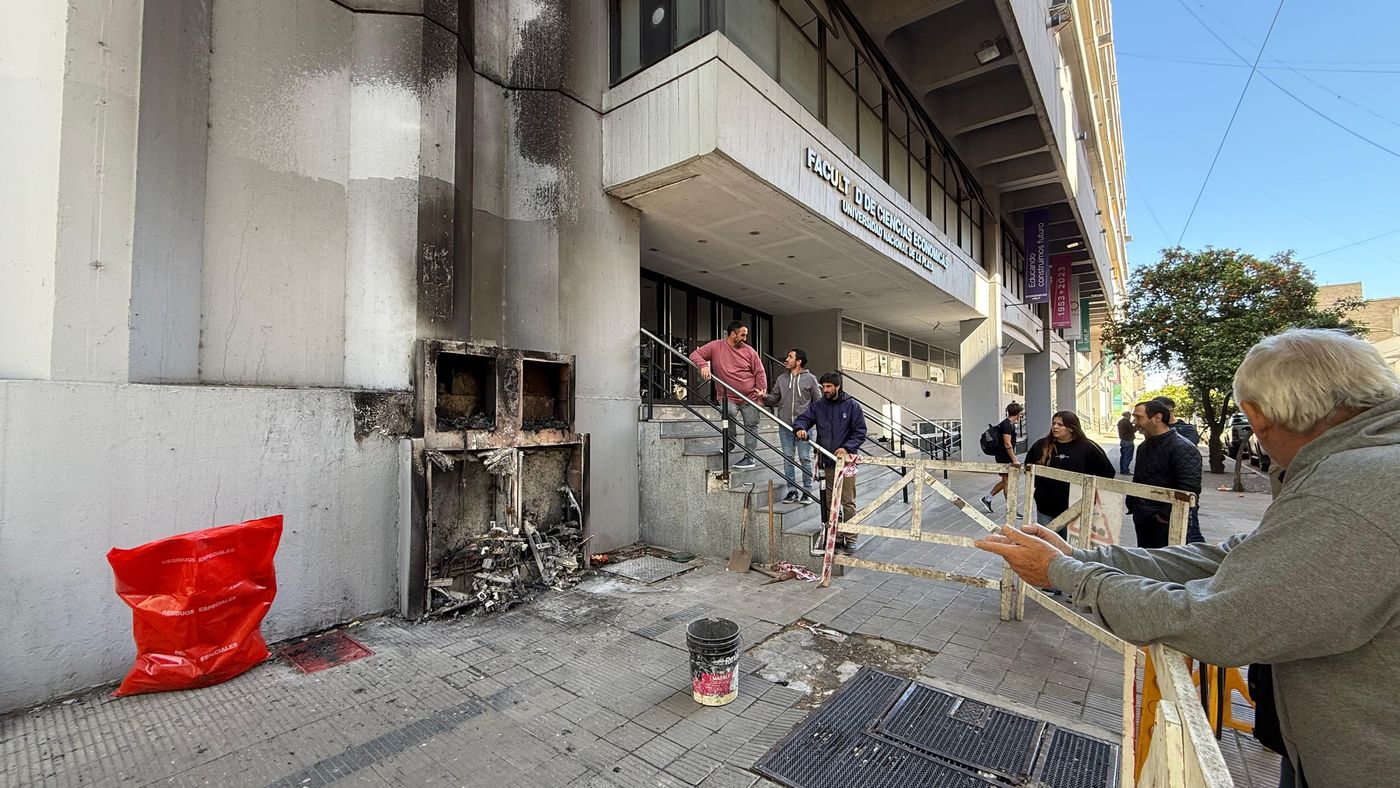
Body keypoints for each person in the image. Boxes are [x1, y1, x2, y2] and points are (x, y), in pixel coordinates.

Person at [975, 328, 1400, 787]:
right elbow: (1236, 556)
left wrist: (1067, 573)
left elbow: (1217, 620)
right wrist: (1083, 557)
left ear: (1258, 417)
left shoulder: (1352, 487)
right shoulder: (1361, 467)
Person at [794, 372, 867, 554]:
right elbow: (803, 418)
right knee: (828, 502)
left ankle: (851, 538)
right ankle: (834, 534)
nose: (825, 390)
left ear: (838, 387)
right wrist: (800, 428)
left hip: (846, 462)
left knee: (847, 502)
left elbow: (860, 431)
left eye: (828, 387)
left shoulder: (852, 406)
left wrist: (847, 448)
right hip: (827, 462)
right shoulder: (818, 406)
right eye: (823, 386)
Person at [1026, 411, 1117, 539]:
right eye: (1054, 424)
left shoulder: (1088, 448)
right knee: (1047, 545)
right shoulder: (1041, 445)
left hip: (1076, 509)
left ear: (1071, 427)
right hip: (1045, 507)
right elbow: (1028, 468)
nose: (1055, 427)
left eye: (1060, 424)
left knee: (1071, 548)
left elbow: (1108, 474)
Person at [689, 321, 767, 469]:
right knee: (728, 412)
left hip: (749, 396)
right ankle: (730, 442)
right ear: (732, 334)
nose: (745, 338)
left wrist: (761, 392)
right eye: (742, 335)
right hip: (728, 396)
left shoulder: (749, 351)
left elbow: (759, 372)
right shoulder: (715, 346)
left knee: (751, 425)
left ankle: (749, 458)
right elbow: (695, 354)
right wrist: (704, 365)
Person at [1126, 399, 1202, 546]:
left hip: (1168, 522)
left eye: (1138, 417)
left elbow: (1189, 488)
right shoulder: (1143, 447)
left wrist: (1164, 516)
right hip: (1144, 518)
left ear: (1158, 418)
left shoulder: (1183, 447)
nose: (1134, 422)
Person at [766, 348, 821, 503]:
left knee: (804, 458)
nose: (786, 359)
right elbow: (774, 398)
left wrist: (813, 423)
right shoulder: (781, 379)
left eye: (790, 357)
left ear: (799, 361)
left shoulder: (810, 379)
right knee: (787, 458)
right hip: (785, 426)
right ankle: (792, 491)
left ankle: (807, 491)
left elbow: (818, 404)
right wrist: (763, 397)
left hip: (805, 428)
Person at [1153, 395, 1205, 543]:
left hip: (1181, 493)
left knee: (1191, 534)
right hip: (1160, 495)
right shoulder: (1155, 432)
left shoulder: (1186, 431)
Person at [981, 402, 1024, 514]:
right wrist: (1014, 459)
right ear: (1018, 414)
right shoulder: (1007, 425)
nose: (1021, 416)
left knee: (1006, 480)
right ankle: (1011, 510)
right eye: (1021, 414)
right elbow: (1007, 444)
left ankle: (988, 498)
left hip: (1003, 456)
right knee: (1007, 482)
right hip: (1004, 457)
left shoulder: (1007, 424)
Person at [1116, 410, 1136, 475]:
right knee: (1128, 456)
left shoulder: (1120, 422)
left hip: (1123, 440)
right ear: (1128, 416)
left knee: (1123, 456)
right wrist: (1135, 424)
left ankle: (1123, 469)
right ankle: (1125, 470)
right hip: (1128, 440)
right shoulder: (1127, 422)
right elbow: (1132, 430)